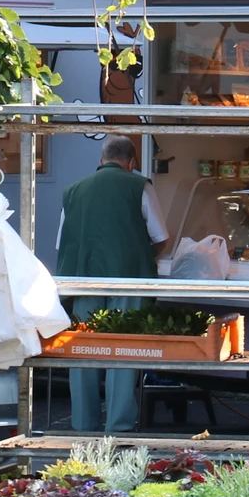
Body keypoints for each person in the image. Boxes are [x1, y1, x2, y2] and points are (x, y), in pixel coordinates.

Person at [56, 135, 169, 432]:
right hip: (128, 282)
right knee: (124, 351)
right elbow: (160, 237)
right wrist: (142, 256)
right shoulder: (139, 185)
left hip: (84, 282)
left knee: (83, 353)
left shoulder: (73, 191)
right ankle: (118, 426)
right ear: (131, 162)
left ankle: (83, 426)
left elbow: (62, 243)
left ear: (101, 159)